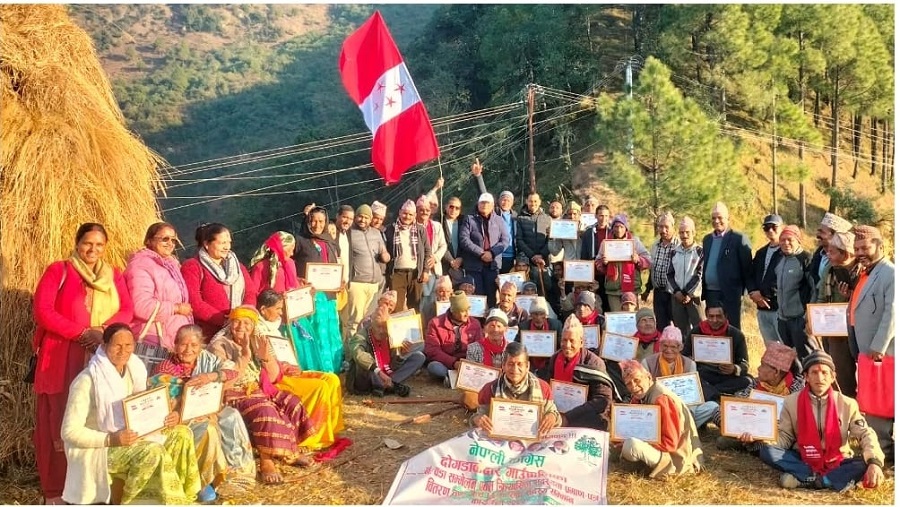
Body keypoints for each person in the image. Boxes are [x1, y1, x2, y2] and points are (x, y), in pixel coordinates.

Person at [32, 223, 134, 504]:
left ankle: (92, 485)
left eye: (99, 245)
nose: (93, 249)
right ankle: (56, 489)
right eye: (88, 243)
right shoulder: (59, 270)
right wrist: (80, 333)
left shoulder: (113, 274)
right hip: (62, 355)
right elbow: (43, 311)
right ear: (77, 243)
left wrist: (103, 332)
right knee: (60, 418)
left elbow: (127, 309)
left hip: (101, 353)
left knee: (94, 415)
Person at [60, 324, 201, 504]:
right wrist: (111, 439)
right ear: (103, 346)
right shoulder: (87, 381)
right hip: (101, 448)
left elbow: (142, 409)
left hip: (130, 435)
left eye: (128, 345)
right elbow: (69, 432)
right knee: (151, 451)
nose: (123, 351)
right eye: (117, 345)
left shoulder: (135, 370)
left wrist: (167, 417)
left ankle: (180, 498)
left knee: (182, 434)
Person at [208, 306, 316, 485]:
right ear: (230, 323)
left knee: (292, 403)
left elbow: (273, 377)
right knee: (265, 411)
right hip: (234, 394)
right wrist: (244, 356)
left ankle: (288, 452)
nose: (241, 327)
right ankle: (266, 461)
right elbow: (224, 383)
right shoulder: (219, 345)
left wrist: (265, 357)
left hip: (258, 390)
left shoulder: (259, 340)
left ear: (253, 326)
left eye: (247, 323)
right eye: (237, 322)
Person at [150, 324, 256, 498]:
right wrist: (183, 409)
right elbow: (161, 402)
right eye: (183, 344)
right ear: (175, 345)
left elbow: (231, 373)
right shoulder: (165, 368)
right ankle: (202, 480)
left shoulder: (207, 361)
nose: (188, 350)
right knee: (208, 428)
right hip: (177, 417)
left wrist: (211, 376)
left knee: (231, 415)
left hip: (205, 409)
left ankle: (236, 474)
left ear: (201, 347)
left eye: (194, 345)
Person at [759, 351, 885, 491]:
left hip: (838, 459)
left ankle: (805, 479)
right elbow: (785, 437)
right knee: (767, 451)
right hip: (803, 457)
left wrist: (874, 462)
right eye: (814, 372)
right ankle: (824, 479)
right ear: (806, 376)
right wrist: (764, 440)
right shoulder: (791, 402)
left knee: (864, 463)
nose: (820, 378)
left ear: (832, 377)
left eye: (824, 372)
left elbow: (865, 434)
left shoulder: (847, 404)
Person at [255, 290, 346, 454]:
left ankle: (331, 430)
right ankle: (313, 436)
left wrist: (292, 366)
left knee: (332, 379)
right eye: (277, 309)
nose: (281, 313)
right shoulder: (257, 331)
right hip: (276, 379)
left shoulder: (276, 327)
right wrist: (284, 367)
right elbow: (265, 366)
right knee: (320, 387)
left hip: (287, 370)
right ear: (263, 309)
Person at [848, 225, 894, 456]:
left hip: (884, 353)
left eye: (865, 247)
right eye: (856, 248)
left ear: (880, 246)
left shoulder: (890, 273)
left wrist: (879, 346)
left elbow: (892, 312)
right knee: (874, 402)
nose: (860, 252)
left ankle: (884, 450)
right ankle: (880, 448)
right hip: (866, 350)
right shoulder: (866, 272)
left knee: (882, 402)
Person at [618, 360, 703, 477]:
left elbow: (670, 443)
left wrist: (641, 441)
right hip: (660, 448)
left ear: (648, 377)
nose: (633, 386)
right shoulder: (641, 395)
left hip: (678, 458)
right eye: (628, 383)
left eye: (637, 380)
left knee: (631, 445)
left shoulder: (662, 398)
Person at [715, 341, 804, 452]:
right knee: (718, 412)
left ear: (776, 372)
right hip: (750, 426)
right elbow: (740, 401)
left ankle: (747, 445)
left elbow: (792, 426)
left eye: (762, 365)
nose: (758, 368)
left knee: (775, 445)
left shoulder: (796, 390)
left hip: (778, 435)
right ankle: (747, 441)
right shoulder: (756, 383)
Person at [125, 222, 192, 353]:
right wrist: (176, 308)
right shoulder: (141, 266)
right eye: (165, 239)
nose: (170, 243)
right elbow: (141, 306)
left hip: (173, 339)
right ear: (149, 241)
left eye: (173, 240)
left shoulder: (170, 265)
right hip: (155, 340)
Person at [537, 315, 613, 431]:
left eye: (572, 341)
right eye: (564, 340)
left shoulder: (594, 363)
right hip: (557, 416)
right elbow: (546, 388)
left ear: (581, 342)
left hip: (586, 419)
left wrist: (568, 417)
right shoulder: (554, 359)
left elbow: (602, 400)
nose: (567, 345)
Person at [294, 205, 345, 373]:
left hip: (329, 297)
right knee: (315, 333)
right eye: (313, 220)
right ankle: (317, 370)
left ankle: (334, 369)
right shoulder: (299, 241)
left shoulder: (330, 241)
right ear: (307, 221)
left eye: (321, 221)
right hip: (311, 297)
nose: (317, 225)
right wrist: (297, 280)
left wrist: (340, 281)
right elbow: (289, 266)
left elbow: (336, 265)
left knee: (331, 333)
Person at [471, 342, 562, 437]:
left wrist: (552, 417)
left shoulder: (543, 388)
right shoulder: (490, 389)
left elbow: (555, 416)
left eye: (520, 364)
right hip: (501, 442)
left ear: (527, 366)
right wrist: (478, 420)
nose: (515, 369)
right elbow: (478, 416)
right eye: (510, 364)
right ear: (503, 366)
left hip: (532, 444)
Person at [182, 223, 254, 339]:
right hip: (209, 335)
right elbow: (194, 302)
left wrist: (243, 316)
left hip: (240, 331)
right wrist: (225, 320)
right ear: (206, 244)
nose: (227, 247)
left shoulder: (237, 266)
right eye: (222, 243)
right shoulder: (193, 266)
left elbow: (250, 292)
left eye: (229, 242)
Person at [813, 231, 858, 396]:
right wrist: (813, 319)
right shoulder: (829, 270)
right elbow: (821, 297)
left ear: (845, 253)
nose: (827, 254)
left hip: (857, 332)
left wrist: (850, 297)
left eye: (831, 251)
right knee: (840, 377)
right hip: (834, 333)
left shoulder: (862, 271)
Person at [348, 305, 426, 397]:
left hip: (388, 373)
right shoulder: (360, 336)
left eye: (384, 327)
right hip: (368, 377)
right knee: (363, 362)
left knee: (419, 357)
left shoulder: (391, 335)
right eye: (378, 327)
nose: (381, 331)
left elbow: (392, 366)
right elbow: (359, 354)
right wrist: (378, 372)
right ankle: (389, 386)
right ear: (371, 323)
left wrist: (402, 354)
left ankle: (385, 385)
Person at [684, 303, 752, 401]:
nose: (714, 320)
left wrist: (734, 368)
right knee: (692, 379)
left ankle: (710, 394)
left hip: (726, 376)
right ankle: (718, 395)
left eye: (719, 316)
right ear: (706, 316)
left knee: (748, 381)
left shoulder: (736, 335)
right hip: (703, 373)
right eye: (711, 317)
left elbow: (745, 363)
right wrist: (689, 360)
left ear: (725, 316)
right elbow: (684, 355)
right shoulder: (696, 331)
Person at [701, 202, 753, 330]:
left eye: (720, 217)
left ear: (728, 218)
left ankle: (735, 351)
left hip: (730, 294)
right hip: (711, 293)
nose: (716, 221)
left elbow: (747, 268)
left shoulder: (738, 238)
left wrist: (746, 291)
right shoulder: (707, 239)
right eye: (713, 218)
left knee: (731, 329)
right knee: (713, 327)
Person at [342, 205, 391, 341]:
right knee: (355, 320)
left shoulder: (376, 233)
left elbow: (383, 251)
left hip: (374, 283)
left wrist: (386, 256)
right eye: (360, 216)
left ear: (370, 219)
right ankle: (351, 355)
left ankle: (366, 349)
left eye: (366, 217)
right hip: (357, 282)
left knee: (369, 320)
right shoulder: (349, 233)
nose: (363, 220)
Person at [459, 191, 510, 307]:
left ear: (492, 205)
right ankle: (477, 323)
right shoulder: (469, 219)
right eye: (482, 203)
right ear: (478, 204)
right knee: (476, 296)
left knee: (491, 296)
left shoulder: (499, 220)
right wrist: (481, 253)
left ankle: (490, 321)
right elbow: (464, 240)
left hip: (492, 265)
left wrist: (492, 253)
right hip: (474, 265)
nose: (484, 205)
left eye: (487, 203)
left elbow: (505, 240)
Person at [775, 225, 817, 363]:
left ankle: (812, 383)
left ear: (798, 241)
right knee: (791, 360)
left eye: (789, 239)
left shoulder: (805, 259)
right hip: (782, 319)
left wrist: (807, 316)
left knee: (807, 357)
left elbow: (814, 289)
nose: (786, 243)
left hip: (799, 318)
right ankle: (797, 384)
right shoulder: (780, 259)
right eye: (782, 240)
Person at [595, 214, 651, 311]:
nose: (619, 230)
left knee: (631, 319)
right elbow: (597, 261)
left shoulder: (634, 242)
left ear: (626, 228)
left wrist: (638, 259)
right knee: (617, 318)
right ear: (612, 228)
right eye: (616, 227)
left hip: (631, 288)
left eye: (621, 227)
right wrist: (604, 263)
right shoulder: (606, 243)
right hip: (613, 289)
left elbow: (648, 260)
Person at [424, 291, 482, 382]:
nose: (467, 314)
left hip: (467, 363)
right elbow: (432, 350)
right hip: (446, 363)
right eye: (463, 311)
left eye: (468, 309)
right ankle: (452, 376)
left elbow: (479, 347)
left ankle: (453, 378)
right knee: (434, 367)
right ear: (453, 311)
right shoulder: (435, 323)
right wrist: (454, 363)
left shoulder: (475, 324)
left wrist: (467, 363)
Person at [385, 199, 432, 312]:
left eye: (410, 214)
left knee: (415, 306)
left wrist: (425, 270)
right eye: (405, 213)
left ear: (415, 215)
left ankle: (415, 330)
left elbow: (427, 251)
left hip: (416, 273)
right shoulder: (390, 229)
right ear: (400, 213)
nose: (407, 216)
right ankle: (398, 329)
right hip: (397, 273)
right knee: (397, 307)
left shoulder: (420, 230)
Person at [472, 158, 517, 273]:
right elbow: (484, 195)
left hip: (512, 256)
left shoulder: (516, 217)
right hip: (495, 255)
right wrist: (478, 177)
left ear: (512, 203)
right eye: (503, 199)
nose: (505, 202)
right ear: (498, 201)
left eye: (508, 200)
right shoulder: (494, 213)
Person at [749, 214, 785, 343]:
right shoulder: (761, 253)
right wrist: (753, 293)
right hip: (762, 309)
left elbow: (782, 278)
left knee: (785, 349)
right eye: (766, 228)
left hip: (779, 309)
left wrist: (763, 294)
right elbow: (750, 274)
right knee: (770, 348)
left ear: (782, 228)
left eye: (774, 227)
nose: (770, 231)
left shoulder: (786, 252)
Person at [667, 216, 703, 339]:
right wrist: (677, 292)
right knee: (681, 331)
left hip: (694, 298)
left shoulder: (700, 252)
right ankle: (683, 356)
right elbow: (669, 274)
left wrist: (687, 293)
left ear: (693, 233)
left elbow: (700, 275)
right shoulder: (674, 252)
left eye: (687, 232)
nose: (684, 235)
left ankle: (699, 357)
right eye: (681, 232)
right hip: (676, 298)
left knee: (700, 329)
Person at [415, 195, 448, 317]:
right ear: (416, 211)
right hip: (419, 270)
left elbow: (443, 245)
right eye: (421, 210)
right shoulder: (412, 226)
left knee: (434, 300)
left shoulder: (436, 226)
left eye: (427, 210)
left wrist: (435, 257)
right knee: (421, 301)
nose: (424, 212)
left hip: (435, 269)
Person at [644, 213, 676, 331]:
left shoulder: (678, 245)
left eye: (667, 227)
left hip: (674, 294)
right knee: (661, 327)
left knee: (678, 326)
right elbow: (653, 268)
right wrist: (647, 289)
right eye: (660, 227)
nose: (663, 230)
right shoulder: (655, 246)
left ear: (673, 227)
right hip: (659, 293)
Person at [580, 204, 614, 313]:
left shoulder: (613, 232)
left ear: (609, 217)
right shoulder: (588, 233)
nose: (603, 218)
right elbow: (584, 255)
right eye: (601, 215)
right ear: (596, 216)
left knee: (607, 303)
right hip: (593, 273)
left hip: (608, 273)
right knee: (594, 302)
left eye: (606, 216)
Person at [516, 192, 551, 291]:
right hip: (527, 260)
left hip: (543, 260)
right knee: (527, 288)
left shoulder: (547, 218)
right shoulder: (520, 218)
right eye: (531, 201)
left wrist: (542, 254)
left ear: (539, 202)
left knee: (546, 287)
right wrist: (532, 256)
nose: (533, 203)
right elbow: (519, 240)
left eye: (535, 201)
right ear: (527, 201)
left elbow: (551, 239)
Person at [517, 297, 563, 371]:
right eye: (535, 314)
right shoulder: (523, 326)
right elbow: (518, 346)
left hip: (549, 363)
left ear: (546, 315)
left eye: (542, 314)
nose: (538, 317)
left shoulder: (556, 325)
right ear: (531, 315)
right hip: (530, 363)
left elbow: (560, 347)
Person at [811, 212, 853, 289]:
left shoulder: (846, 260)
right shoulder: (818, 254)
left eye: (821, 232)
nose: (817, 235)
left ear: (835, 235)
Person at [441, 196, 465, 286]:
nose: (454, 210)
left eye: (457, 208)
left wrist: (461, 258)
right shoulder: (439, 221)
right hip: (444, 264)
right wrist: (451, 260)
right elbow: (439, 243)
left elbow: (467, 243)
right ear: (446, 207)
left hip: (461, 264)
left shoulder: (465, 222)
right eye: (451, 206)